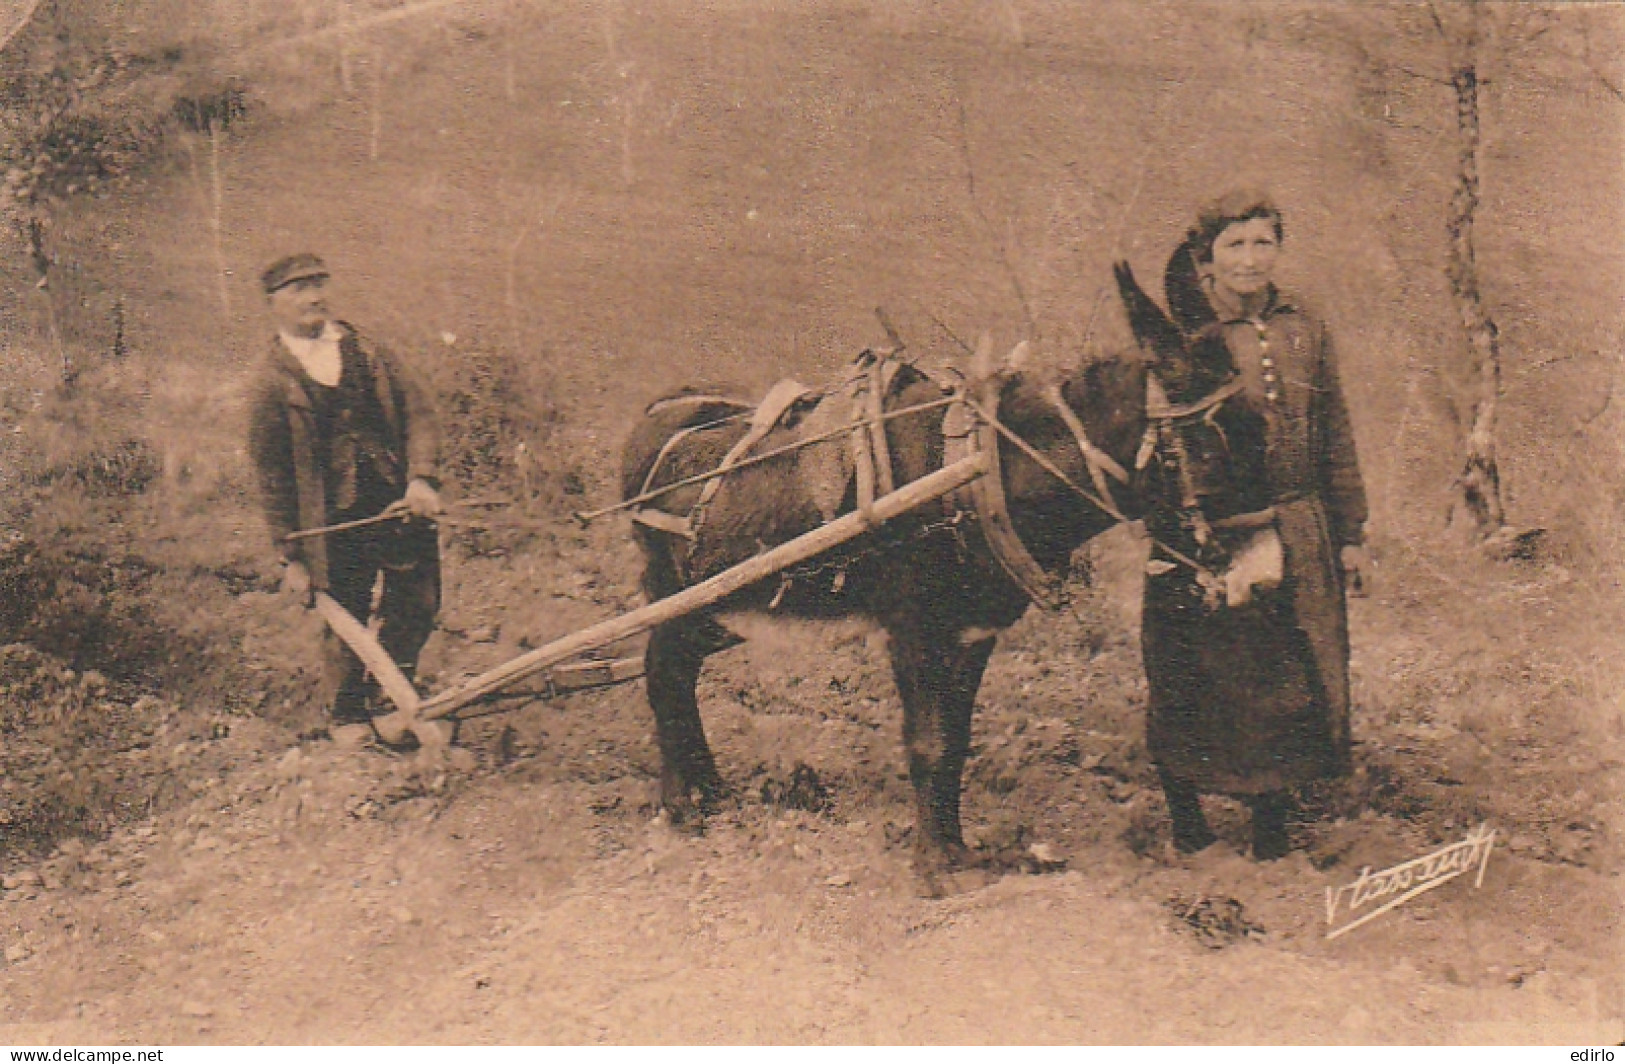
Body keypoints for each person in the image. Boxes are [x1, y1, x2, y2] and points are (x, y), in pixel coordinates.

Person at [1141, 191, 1370, 860]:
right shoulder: (1184, 332)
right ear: (1205, 259)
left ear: (1278, 248)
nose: (1249, 259)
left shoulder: (1305, 327)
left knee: (1282, 676)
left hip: (1297, 523)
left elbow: (1335, 435)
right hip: (1205, 528)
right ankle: (1187, 820)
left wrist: (1349, 533)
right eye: (1233, 246)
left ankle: (1269, 826)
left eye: (1262, 243)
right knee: (1191, 669)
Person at [247, 253, 445, 739]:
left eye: (318, 285)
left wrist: (421, 479)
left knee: (415, 601)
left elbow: (419, 412)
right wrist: (290, 554)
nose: (314, 297)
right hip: (331, 519)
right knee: (345, 610)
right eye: (299, 289)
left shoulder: (369, 351)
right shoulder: (271, 381)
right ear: (275, 303)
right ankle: (347, 713)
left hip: (396, 503)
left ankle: (389, 697)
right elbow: (271, 475)